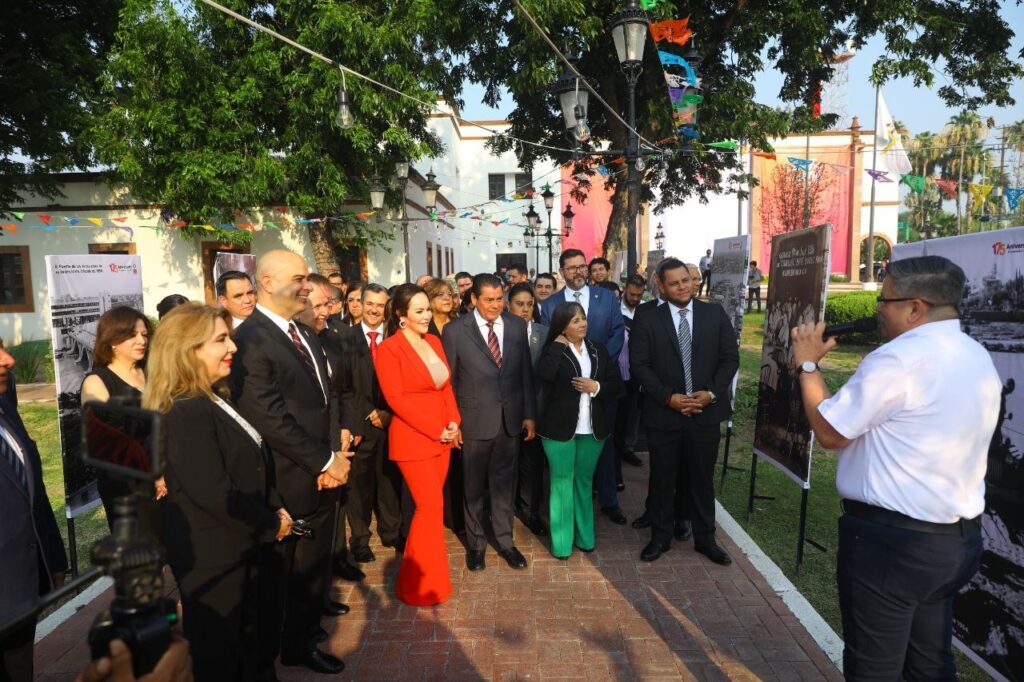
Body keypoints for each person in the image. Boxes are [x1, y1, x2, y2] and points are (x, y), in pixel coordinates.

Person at [790, 255, 1000, 680]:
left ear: (915, 307)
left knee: (874, 668)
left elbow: (831, 433)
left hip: (893, 547)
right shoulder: (977, 355)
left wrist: (808, 365)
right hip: (953, 543)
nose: (878, 310)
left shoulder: (899, 360)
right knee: (929, 664)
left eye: (884, 300)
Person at [145, 303, 292, 681]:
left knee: (248, 653)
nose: (233, 348)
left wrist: (274, 508)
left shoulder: (211, 397)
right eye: (221, 340)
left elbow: (252, 462)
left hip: (235, 548)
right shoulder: (185, 411)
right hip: (214, 558)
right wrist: (269, 524)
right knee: (221, 659)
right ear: (188, 349)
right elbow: (213, 491)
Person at [229, 249, 351, 676]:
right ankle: (276, 652)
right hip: (284, 480)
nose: (306, 285)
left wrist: (334, 452)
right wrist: (323, 461)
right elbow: (269, 417)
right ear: (266, 282)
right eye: (298, 278)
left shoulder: (303, 332)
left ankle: (301, 642)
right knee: (279, 580)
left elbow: (325, 398)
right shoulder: (249, 341)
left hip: (322, 473)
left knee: (313, 571)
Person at [630, 257, 739, 565]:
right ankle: (660, 538)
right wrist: (669, 398)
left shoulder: (714, 314)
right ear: (661, 287)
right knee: (663, 479)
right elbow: (640, 365)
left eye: (686, 280)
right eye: (674, 283)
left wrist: (711, 394)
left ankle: (706, 539)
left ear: (694, 281)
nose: (682, 286)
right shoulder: (647, 316)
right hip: (664, 415)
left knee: (701, 480)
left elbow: (729, 359)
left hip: (705, 414)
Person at [443, 273, 536, 571]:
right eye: (489, 300)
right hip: (473, 422)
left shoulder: (517, 325)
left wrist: (529, 414)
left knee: (504, 485)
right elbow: (450, 383)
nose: (496, 305)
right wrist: (453, 422)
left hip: (509, 421)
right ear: (473, 299)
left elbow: (524, 374)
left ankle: (506, 542)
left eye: (499, 299)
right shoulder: (455, 331)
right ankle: (477, 545)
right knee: (472, 486)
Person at [374, 285, 460, 606]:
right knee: (429, 508)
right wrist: (436, 429)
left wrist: (454, 422)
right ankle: (419, 587)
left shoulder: (435, 341)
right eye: (419, 311)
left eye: (427, 309)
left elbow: (445, 386)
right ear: (401, 315)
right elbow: (395, 399)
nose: (426, 316)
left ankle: (422, 582)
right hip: (414, 439)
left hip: (443, 437)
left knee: (430, 510)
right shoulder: (389, 349)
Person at [540, 249, 626, 525]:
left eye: (582, 266)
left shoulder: (606, 298)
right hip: (565, 392)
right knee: (569, 451)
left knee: (604, 441)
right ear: (562, 271)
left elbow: (617, 332)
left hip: (599, 383)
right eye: (571, 267)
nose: (578, 271)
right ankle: (573, 507)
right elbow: (548, 342)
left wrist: (599, 367)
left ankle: (609, 501)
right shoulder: (550, 304)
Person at [0, 342, 68, 682]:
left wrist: (53, 558)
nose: (9, 361)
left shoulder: (5, 405)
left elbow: (33, 491)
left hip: (20, 588)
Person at [535, 303, 621, 560]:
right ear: (563, 326)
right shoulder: (553, 350)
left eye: (583, 319)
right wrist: (559, 345)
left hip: (592, 430)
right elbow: (544, 376)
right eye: (575, 321)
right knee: (561, 483)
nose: (582, 324)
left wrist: (595, 386)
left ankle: (585, 538)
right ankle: (562, 544)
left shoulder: (598, 350)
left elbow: (615, 385)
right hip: (558, 430)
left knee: (583, 482)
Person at [337, 284, 404, 563]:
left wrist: (388, 412)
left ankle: (392, 532)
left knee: (389, 482)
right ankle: (360, 539)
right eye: (369, 304)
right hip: (359, 428)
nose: (375, 310)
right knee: (359, 488)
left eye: (380, 304)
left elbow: (404, 383)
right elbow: (342, 389)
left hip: (392, 424)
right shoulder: (344, 339)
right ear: (359, 305)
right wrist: (354, 426)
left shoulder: (397, 338)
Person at [80, 307, 163, 526]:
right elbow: (108, 446)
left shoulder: (152, 373)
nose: (141, 340)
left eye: (144, 334)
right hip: (126, 487)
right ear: (112, 340)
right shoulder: (97, 383)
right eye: (132, 335)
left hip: (168, 478)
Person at [507, 282, 549, 537]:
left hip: (536, 411)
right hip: (505, 411)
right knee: (506, 465)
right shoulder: (498, 333)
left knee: (532, 465)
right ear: (507, 305)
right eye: (519, 304)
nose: (525, 310)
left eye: (529, 304)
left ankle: (530, 511)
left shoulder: (544, 334)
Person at [615, 275, 646, 469]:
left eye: (638, 295)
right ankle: (614, 447)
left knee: (634, 411)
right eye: (632, 294)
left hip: (637, 371)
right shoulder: (615, 308)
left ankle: (628, 447)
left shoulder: (646, 309)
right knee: (617, 412)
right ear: (625, 289)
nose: (634, 298)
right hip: (617, 368)